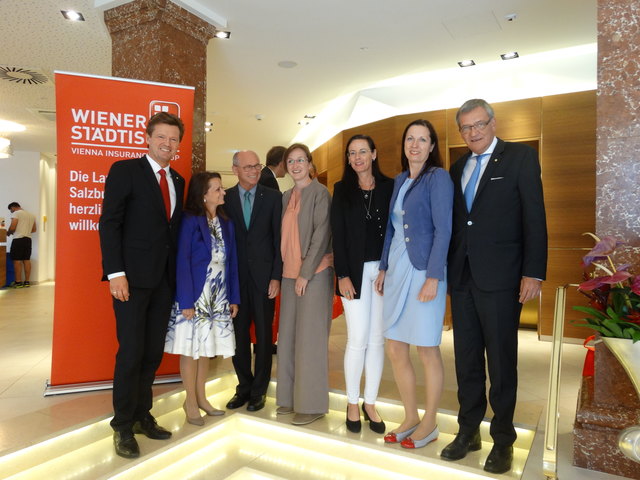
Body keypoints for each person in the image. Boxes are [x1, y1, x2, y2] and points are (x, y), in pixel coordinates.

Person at [442, 99, 547, 474]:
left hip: (503, 278)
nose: (472, 133)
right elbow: (459, 223)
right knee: (466, 360)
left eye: (478, 125)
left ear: (492, 122)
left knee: (501, 363)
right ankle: (468, 430)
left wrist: (533, 271)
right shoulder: (457, 168)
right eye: (465, 128)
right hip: (463, 277)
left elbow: (534, 215)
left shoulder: (519, 157)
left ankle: (503, 440)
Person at [99, 112, 186, 459]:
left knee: (151, 353)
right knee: (131, 352)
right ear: (147, 138)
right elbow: (110, 223)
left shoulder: (178, 179)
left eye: (173, 139)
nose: (167, 144)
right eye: (161, 137)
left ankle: (141, 415)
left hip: (164, 281)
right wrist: (115, 272)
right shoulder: (125, 171)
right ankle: (121, 426)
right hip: (131, 281)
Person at [375, 119, 453, 449]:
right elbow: (391, 229)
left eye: (423, 139)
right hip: (396, 269)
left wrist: (434, 277)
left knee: (426, 348)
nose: (416, 145)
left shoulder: (438, 178)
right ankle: (410, 416)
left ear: (432, 146)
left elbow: (443, 229)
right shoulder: (399, 180)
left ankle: (431, 422)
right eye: (411, 139)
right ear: (404, 144)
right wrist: (382, 267)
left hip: (424, 271)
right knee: (395, 347)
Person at [165, 172, 240, 426]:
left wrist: (234, 297)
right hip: (195, 294)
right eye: (218, 189)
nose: (223, 193)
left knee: (206, 350)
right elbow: (182, 260)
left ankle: (202, 398)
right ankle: (190, 402)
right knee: (191, 350)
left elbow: (232, 264)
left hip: (218, 296)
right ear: (204, 194)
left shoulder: (226, 223)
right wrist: (185, 300)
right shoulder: (190, 220)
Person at [330, 134, 393, 434]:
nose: (357, 157)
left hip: (383, 273)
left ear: (374, 153)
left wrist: (387, 267)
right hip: (353, 273)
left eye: (363, 151)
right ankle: (352, 402)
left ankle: (371, 402)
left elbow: (395, 232)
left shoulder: (390, 187)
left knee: (377, 339)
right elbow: (337, 236)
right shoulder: (341, 190)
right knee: (358, 338)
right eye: (352, 153)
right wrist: (342, 274)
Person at [276, 143, 333, 426]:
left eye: (301, 160)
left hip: (314, 275)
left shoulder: (321, 193)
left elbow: (321, 235)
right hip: (289, 275)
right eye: (291, 161)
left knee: (310, 340)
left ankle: (312, 405)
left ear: (309, 164)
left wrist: (305, 273)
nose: (296, 165)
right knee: (286, 338)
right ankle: (288, 399)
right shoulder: (286, 196)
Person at [224, 151, 282, 412]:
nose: (254, 170)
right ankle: (243, 387)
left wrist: (276, 276)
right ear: (235, 169)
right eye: (247, 166)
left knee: (264, 335)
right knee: (237, 337)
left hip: (263, 279)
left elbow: (278, 240)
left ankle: (260, 390)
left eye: (256, 166)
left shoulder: (272, 197)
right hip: (235, 281)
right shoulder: (224, 199)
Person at [6, 202, 36, 288]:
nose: (11, 212)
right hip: (28, 239)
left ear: (13, 207)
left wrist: (8, 232)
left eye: (11, 210)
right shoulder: (31, 215)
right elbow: (34, 229)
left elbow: (12, 227)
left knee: (17, 260)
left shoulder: (16, 213)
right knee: (26, 260)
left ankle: (18, 282)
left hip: (18, 239)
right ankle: (27, 282)